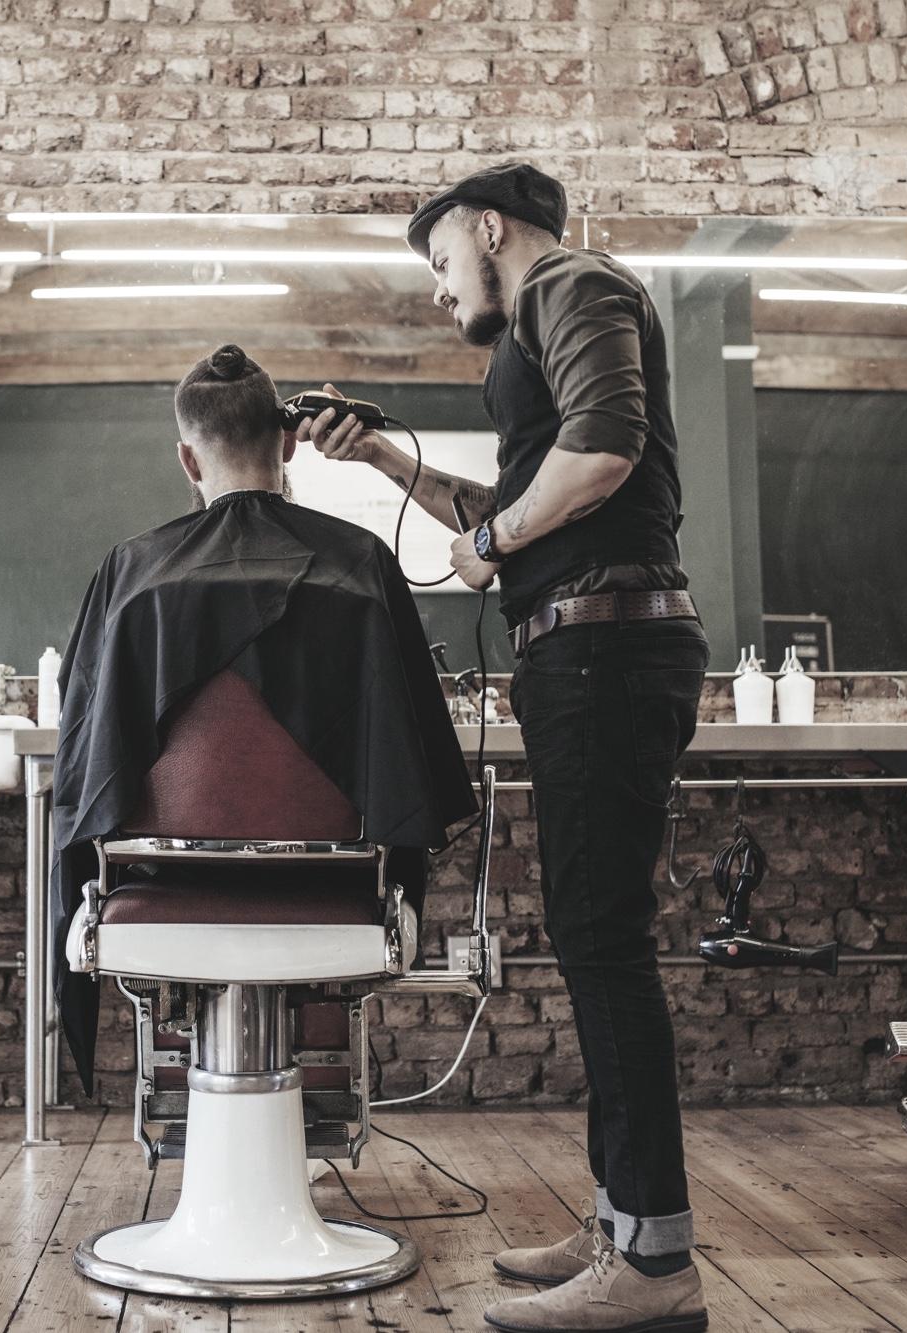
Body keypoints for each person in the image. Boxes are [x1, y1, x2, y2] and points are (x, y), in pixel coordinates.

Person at [299, 162, 711, 1333]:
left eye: (440, 262)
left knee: (603, 943)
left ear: (489, 229)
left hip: (605, 649)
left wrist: (490, 545)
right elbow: (518, 504)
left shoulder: (570, 284)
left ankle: (653, 1260)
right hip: (583, 646)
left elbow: (602, 454)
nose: (438, 290)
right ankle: (622, 1219)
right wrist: (385, 461)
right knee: (591, 938)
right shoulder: (541, 326)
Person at [50, 344, 478, 1095]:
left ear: (188, 459)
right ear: (288, 444)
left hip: (165, 883)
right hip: (336, 885)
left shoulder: (130, 573)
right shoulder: (362, 565)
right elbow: (410, 758)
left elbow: (87, 755)